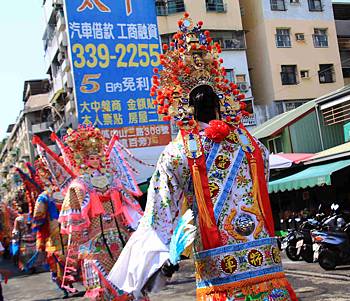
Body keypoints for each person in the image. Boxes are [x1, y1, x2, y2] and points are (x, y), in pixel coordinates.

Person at [108, 14, 298, 301]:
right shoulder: (255, 146)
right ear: (223, 100)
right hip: (266, 268)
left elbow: (158, 217)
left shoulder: (176, 153)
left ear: (182, 106)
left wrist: (148, 274)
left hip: (219, 276)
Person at [57, 126, 144, 300]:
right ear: (83, 159)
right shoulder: (79, 184)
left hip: (120, 237)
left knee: (128, 278)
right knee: (101, 284)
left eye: (98, 157)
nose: (96, 160)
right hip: (95, 241)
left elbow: (130, 201)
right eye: (91, 157)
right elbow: (75, 212)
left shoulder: (112, 178)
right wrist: (78, 236)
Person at [29, 157, 74, 298]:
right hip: (59, 234)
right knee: (60, 260)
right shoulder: (61, 193)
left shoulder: (47, 196)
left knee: (63, 259)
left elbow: (37, 217)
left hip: (63, 234)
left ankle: (67, 286)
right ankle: (67, 285)